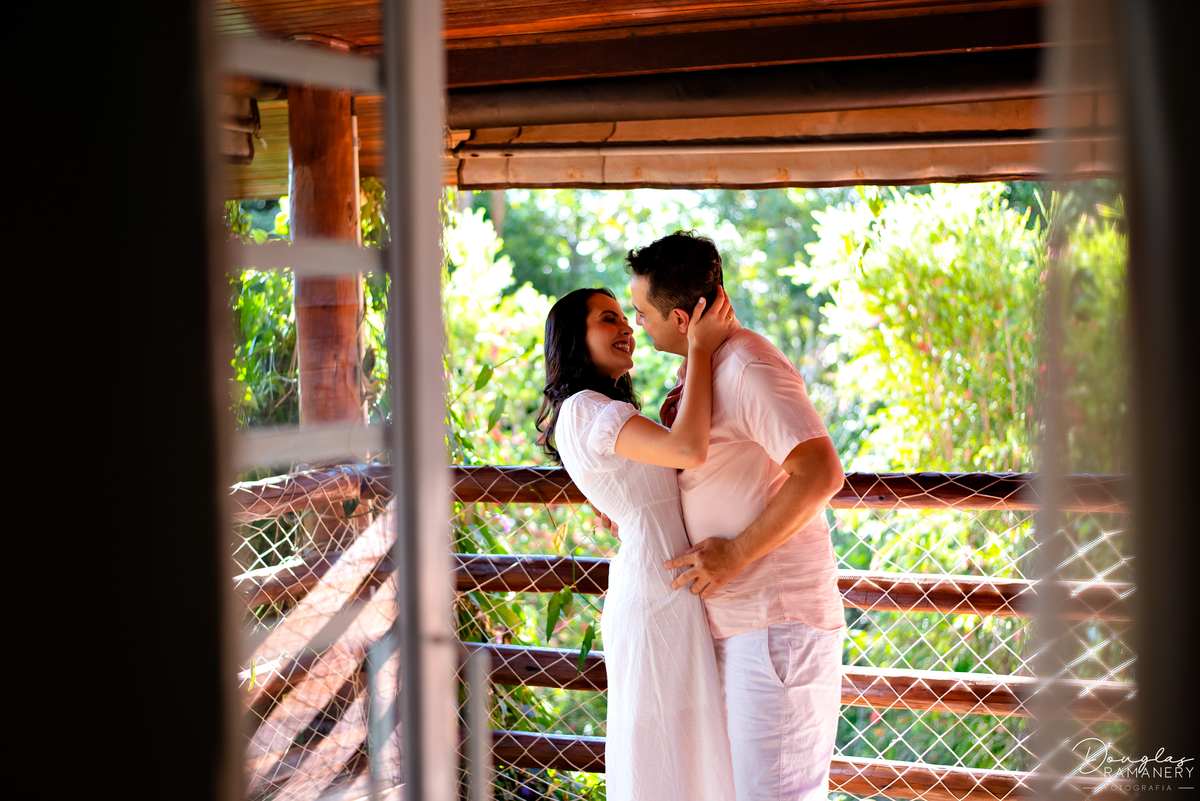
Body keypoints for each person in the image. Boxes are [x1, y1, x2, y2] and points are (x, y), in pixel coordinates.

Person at [627, 231, 846, 801]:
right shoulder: (704, 370)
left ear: (680, 319)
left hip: (775, 623)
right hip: (734, 624)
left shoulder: (748, 366)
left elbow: (821, 473)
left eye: (642, 313)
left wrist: (738, 554)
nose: (636, 324)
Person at [536, 285, 739, 801]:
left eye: (626, 317)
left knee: (683, 755)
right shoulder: (585, 408)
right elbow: (687, 449)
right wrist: (699, 348)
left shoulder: (594, 409)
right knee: (665, 759)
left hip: (665, 587)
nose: (627, 326)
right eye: (608, 319)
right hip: (656, 596)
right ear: (574, 340)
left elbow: (638, 488)